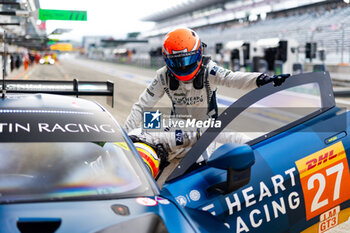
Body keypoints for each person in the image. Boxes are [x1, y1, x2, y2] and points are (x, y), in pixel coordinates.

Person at [126, 27, 289, 182]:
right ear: (166, 60)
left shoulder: (209, 70)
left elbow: (232, 78)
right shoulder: (162, 76)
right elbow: (142, 105)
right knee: (161, 183)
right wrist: (124, 135)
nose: (183, 66)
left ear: (198, 54)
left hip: (206, 132)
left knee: (201, 178)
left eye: (187, 60)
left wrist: (261, 79)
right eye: (177, 62)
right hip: (178, 131)